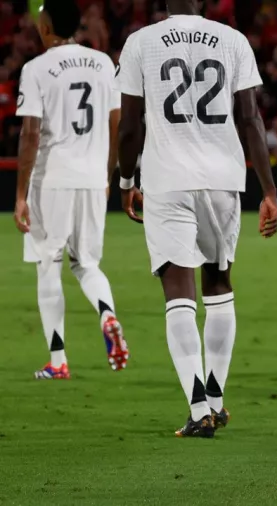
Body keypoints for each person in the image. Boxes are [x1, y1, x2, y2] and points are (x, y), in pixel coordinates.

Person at [116, 0, 277, 438]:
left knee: (177, 291)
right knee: (219, 283)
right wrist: (269, 190)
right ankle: (218, 399)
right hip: (223, 178)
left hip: (167, 178)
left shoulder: (141, 42)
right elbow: (250, 118)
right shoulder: (233, 40)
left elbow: (130, 125)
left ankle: (197, 407)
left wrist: (125, 180)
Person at [14, 0, 129, 380]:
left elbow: (31, 134)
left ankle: (58, 360)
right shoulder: (103, 64)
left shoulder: (36, 68)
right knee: (87, 264)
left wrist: (19, 195)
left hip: (52, 179)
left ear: (46, 28)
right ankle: (107, 313)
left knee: (49, 264)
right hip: (94, 178)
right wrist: (109, 173)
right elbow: (117, 123)